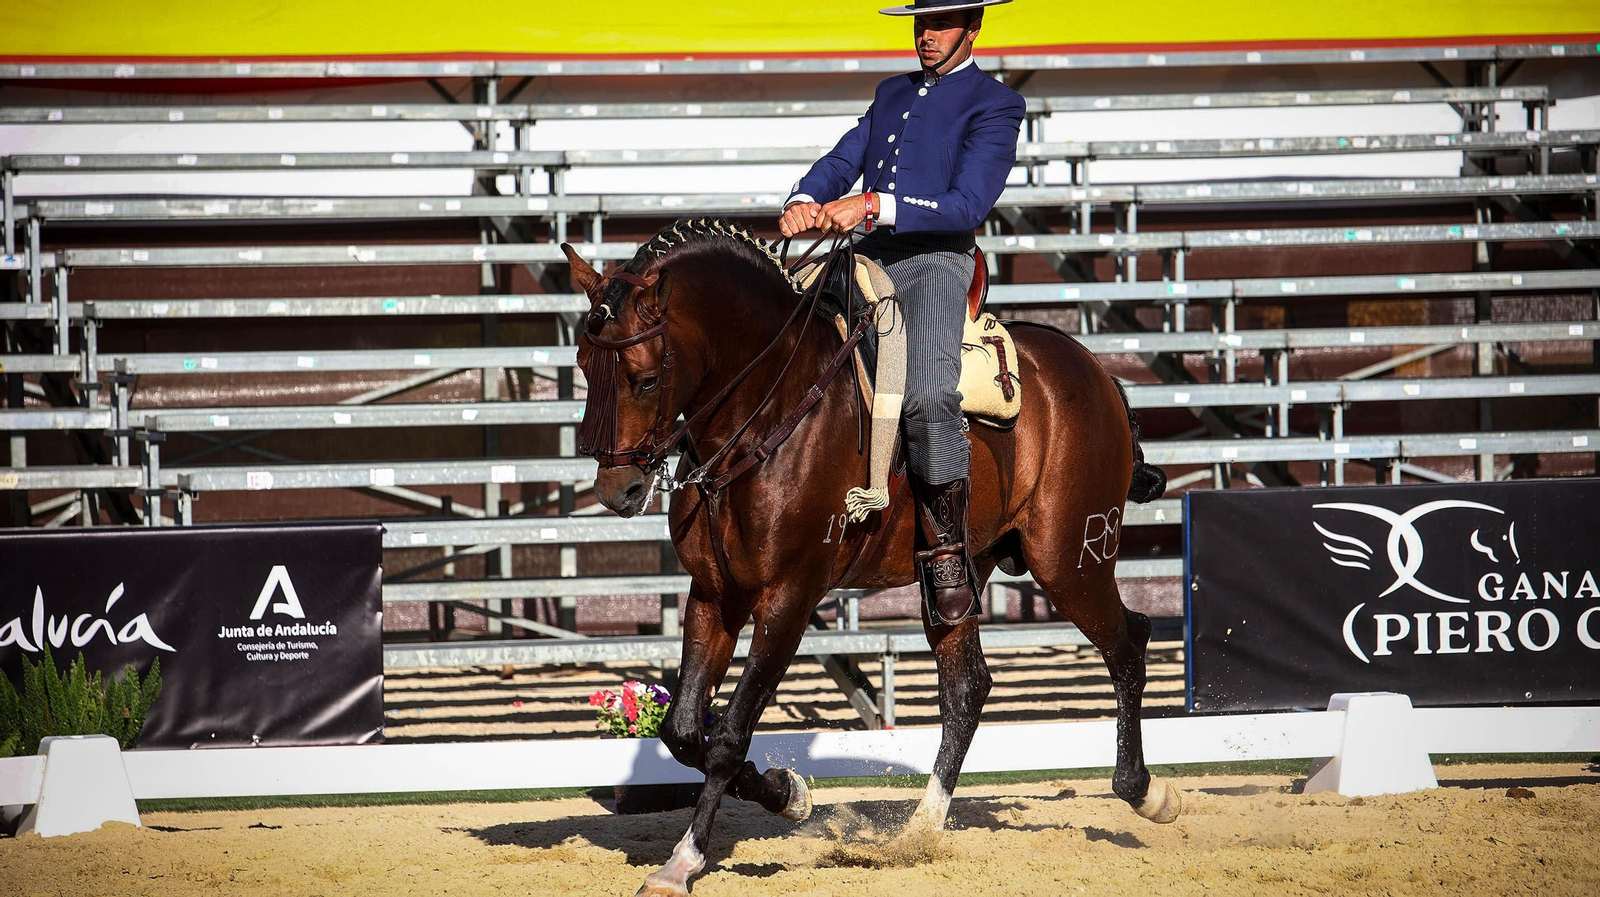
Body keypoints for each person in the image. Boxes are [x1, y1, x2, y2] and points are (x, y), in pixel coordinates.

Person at [778, 0, 1024, 626]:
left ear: (974, 30)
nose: (927, 35)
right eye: (921, 25)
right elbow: (844, 157)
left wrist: (871, 205)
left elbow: (967, 205)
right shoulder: (892, 92)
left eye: (940, 25)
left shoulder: (995, 103)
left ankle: (946, 549)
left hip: (935, 262)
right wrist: (807, 197)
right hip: (867, 254)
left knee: (927, 394)